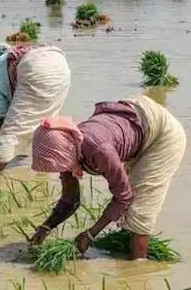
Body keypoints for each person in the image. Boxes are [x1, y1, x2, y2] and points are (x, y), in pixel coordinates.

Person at [28, 94, 186, 260]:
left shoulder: (100, 151)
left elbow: (124, 197)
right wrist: (46, 226)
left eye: (60, 166)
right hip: (137, 117)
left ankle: (139, 269)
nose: (61, 172)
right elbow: (71, 198)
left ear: (65, 151)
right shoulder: (67, 146)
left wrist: (91, 234)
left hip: (163, 134)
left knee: (140, 209)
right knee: (129, 208)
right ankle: (125, 250)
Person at [0, 43, 71, 171]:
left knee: (10, 133)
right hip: (60, 63)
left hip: (35, 66)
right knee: (46, 123)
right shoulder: (9, 58)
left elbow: (1, 112)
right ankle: (45, 170)